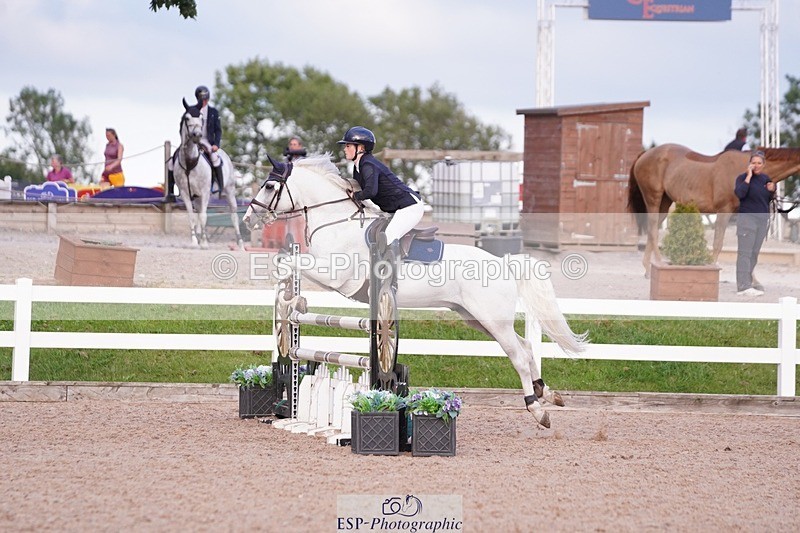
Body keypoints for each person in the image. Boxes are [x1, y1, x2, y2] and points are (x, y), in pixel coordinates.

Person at [336, 126, 425, 258]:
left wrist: (355, 196)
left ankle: (392, 271)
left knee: (389, 237)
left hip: (409, 207)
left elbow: (370, 192)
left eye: (348, 145)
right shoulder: (358, 167)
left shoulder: (368, 165)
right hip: (395, 208)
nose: (345, 149)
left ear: (360, 148)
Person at [166, 85, 224, 201]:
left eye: (206, 99)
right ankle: (171, 193)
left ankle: (220, 188)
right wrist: (185, 141)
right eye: (202, 99)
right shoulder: (190, 110)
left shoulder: (213, 112)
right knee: (171, 162)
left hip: (206, 141)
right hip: (191, 141)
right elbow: (181, 128)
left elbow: (218, 130)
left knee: (215, 159)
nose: (204, 101)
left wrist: (216, 144)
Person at [734, 150, 775, 296]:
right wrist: (749, 177)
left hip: (762, 221)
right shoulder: (742, 178)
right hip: (747, 220)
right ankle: (742, 286)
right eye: (753, 163)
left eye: (759, 163)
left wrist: (772, 190)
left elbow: (765, 199)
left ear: (763, 164)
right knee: (744, 253)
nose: (756, 165)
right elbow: (740, 194)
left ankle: (749, 282)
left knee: (754, 254)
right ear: (749, 164)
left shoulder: (765, 179)